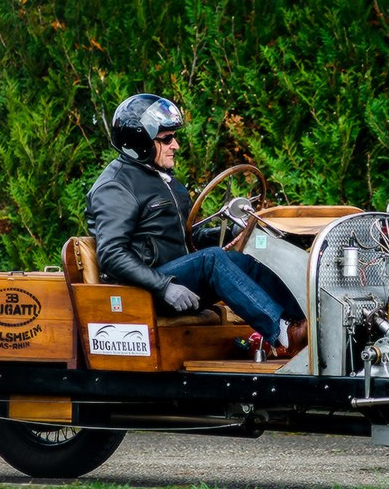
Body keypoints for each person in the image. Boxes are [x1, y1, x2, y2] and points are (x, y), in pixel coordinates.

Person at [86, 93, 307, 357]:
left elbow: (192, 236)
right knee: (212, 261)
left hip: (175, 280)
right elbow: (111, 254)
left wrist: (230, 233)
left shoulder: (164, 180)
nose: (176, 145)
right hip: (143, 291)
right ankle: (282, 333)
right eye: (167, 139)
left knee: (246, 261)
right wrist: (163, 285)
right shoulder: (116, 186)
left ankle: (306, 324)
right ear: (140, 142)